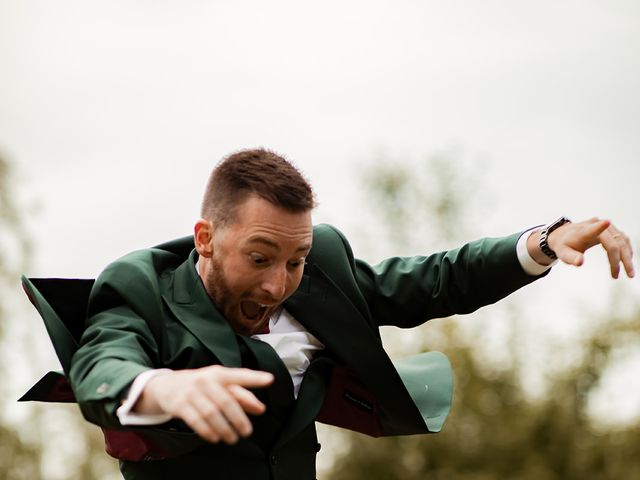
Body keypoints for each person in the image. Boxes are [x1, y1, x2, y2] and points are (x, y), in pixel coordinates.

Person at [24, 149, 634, 480]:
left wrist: (543, 243)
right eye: (259, 258)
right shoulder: (138, 287)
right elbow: (103, 363)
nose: (277, 284)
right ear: (205, 238)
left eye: (295, 261)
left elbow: (432, 280)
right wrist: (159, 387)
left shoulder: (323, 270)